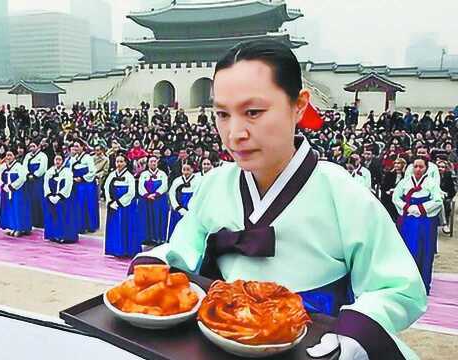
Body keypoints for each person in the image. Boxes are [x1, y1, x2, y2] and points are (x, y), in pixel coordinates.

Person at [130, 40, 425, 359]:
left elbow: (398, 287)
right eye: (222, 114)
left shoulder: (343, 193)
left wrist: (355, 331)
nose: (234, 133)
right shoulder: (214, 183)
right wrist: (158, 264)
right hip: (222, 334)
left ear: (298, 105)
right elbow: (186, 247)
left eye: (253, 112)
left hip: (314, 342)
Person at [393, 156, 443, 295]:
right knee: (408, 250)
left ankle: (423, 285)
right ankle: (406, 284)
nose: (418, 169)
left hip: (425, 220)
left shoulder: (431, 183)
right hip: (408, 219)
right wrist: (406, 207)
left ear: (426, 168)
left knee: (425, 252)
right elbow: (395, 197)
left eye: (421, 167)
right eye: (415, 166)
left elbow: (438, 201)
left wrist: (421, 208)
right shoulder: (405, 182)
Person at [104, 153, 140, 257]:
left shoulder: (129, 176)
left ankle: (127, 250)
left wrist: (119, 202)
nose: (119, 164)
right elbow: (106, 188)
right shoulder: (112, 175)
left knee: (126, 226)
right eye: (117, 161)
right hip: (113, 205)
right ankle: (115, 249)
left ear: (125, 163)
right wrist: (110, 202)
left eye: (121, 161)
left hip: (126, 206)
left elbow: (131, 193)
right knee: (115, 226)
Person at [43, 154, 78, 243]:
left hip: (63, 199)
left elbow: (68, 185)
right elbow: (46, 184)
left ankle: (64, 236)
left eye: (59, 159)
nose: (57, 161)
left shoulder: (67, 172)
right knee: (52, 216)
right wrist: (50, 195)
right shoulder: (50, 171)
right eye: (56, 159)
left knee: (63, 217)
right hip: (51, 198)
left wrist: (59, 196)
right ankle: (53, 235)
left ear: (62, 161)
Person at [136, 155, 169, 245]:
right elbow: (140, 187)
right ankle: (146, 238)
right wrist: (147, 195)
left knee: (159, 217)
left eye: (154, 161)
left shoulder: (162, 174)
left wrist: (156, 194)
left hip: (159, 200)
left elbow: (164, 186)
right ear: (148, 163)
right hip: (146, 200)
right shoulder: (144, 174)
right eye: (151, 161)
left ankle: (159, 238)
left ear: (157, 162)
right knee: (146, 218)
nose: (153, 163)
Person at [0, 151, 31, 237]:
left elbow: (22, 178)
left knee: (18, 208)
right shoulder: (3, 166)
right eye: (7, 155)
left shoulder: (19, 166)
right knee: (9, 208)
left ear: (14, 156)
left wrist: (12, 186)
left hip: (17, 191)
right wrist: (2, 185)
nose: (8, 157)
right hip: (6, 190)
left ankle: (20, 228)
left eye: (10, 155)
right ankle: (12, 227)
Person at [69, 140, 100, 234]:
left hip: (87, 185)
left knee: (88, 204)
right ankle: (79, 225)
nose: (75, 148)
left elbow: (92, 171)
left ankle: (90, 225)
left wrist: (82, 178)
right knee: (78, 205)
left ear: (82, 147)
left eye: (77, 146)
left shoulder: (88, 158)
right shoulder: (73, 159)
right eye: (74, 146)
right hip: (76, 184)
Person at [167, 162, 200, 240]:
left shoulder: (198, 180)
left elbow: (198, 195)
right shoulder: (177, 180)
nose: (186, 172)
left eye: (188, 169)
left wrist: (192, 208)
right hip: (179, 206)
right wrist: (177, 207)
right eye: (184, 169)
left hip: (192, 207)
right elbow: (172, 194)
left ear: (192, 169)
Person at [22, 141, 48, 229]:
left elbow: (43, 168)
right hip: (29, 180)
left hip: (38, 181)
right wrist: (28, 174)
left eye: (34, 146)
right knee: (29, 199)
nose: (32, 148)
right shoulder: (27, 156)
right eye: (30, 146)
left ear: (38, 146)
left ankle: (40, 221)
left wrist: (35, 175)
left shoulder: (43, 156)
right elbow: (24, 166)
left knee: (38, 199)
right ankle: (30, 220)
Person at [437, 160, 456, 234]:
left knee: (444, 202)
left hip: (445, 196)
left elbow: (452, 191)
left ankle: (445, 223)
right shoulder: (433, 176)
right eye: (438, 167)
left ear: (445, 168)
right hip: (434, 195)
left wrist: (446, 194)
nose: (440, 168)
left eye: (442, 167)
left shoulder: (448, 176)